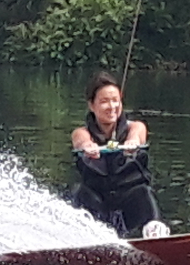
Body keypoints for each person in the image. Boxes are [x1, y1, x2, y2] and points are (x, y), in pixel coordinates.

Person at [70, 71, 169, 239]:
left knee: (143, 192)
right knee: (79, 192)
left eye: (115, 100)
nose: (112, 106)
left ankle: (154, 232)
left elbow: (138, 135)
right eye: (104, 102)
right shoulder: (81, 133)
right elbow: (81, 141)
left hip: (129, 201)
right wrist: (89, 147)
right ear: (92, 106)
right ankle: (83, 239)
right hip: (98, 202)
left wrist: (132, 143)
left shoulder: (135, 127)